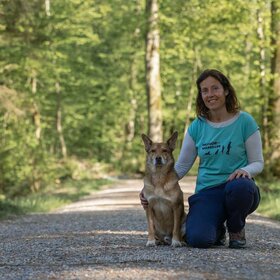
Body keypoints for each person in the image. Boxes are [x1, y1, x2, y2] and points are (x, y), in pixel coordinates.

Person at [140, 69, 264, 249]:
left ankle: (236, 228)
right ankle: (217, 231)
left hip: (237, 188)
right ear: (201, 95)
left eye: (215, 88)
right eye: (204, 90)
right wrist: (150, 188)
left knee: (242, 187)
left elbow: (258, 163)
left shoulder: (245, 121)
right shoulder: (197, 126)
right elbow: (180, 167)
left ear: (226, 90)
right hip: (208, 192)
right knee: (198, 239)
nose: (210, 94)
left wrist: (245, 171)